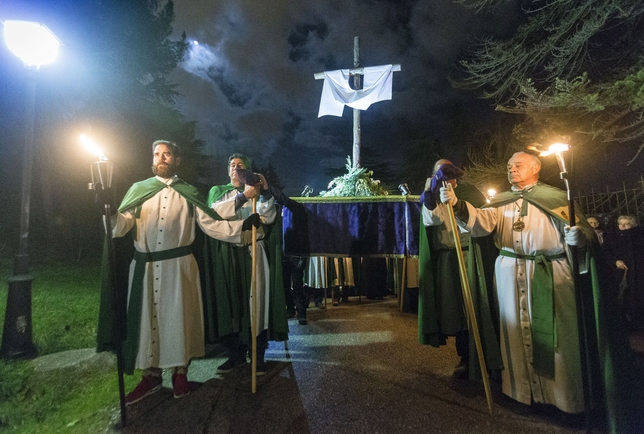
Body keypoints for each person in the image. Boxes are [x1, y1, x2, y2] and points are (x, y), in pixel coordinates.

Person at [439, 151, 602, 414]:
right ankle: (522, 392)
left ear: (536, 167)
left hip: (551, 272)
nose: (511, 170)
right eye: (509, 166)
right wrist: (456, 204)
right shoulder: (502, 201)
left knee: (559, 336)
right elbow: (480, 223)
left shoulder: (557, 198)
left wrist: (578, 237)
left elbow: (580, 233)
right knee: (513, 332)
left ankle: (562, 397)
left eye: (518, 165)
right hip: (509, 273)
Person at [96, 140, 256, 405]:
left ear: (177, 160)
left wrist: (243, 228)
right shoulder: (138, 190)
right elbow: (119, 228)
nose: (161, 158)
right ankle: (150, 376)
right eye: (157, 154)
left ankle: (180, 372)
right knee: (147, 321)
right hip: (144, 269)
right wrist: (110, 210)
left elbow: (212, 225)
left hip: (179, 268)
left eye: (167, 154)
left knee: (178, 320)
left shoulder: (188, 192)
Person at [206, 153, 288, 376]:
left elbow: (268, 217)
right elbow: (214, 213)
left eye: (240, 166)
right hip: (229, 253)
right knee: (232, 303)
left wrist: (263, 192)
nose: (235, 168)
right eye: (232, 165)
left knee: (256, 304)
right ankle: (235, 354)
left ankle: (258, 354)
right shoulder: (217, 191)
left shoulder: (258, 192)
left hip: (254, 251)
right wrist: (243, 197)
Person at [418, 159, 498, 378]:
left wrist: (456, 202)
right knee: (457, 313)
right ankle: (465, 357)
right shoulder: (431, 194)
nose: (444, 178)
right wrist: (431, 203)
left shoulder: (470, 192)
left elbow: (479, 220)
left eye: (447, 173)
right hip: (447, 258)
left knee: (475, 307)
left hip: (469, 254)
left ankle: (486, 358)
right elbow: (431, 223)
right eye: (439, 174)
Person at [604, 215, 644, 330]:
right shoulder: (612, 237)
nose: (622, 226)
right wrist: (615, 261)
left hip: (639, 273)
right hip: (620, 274)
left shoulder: (640, 235)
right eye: (620, 223)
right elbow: (605, 253)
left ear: (634, 225)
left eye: (626, 224)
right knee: (623, 297)